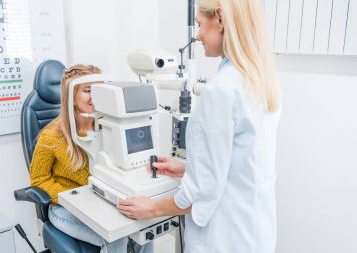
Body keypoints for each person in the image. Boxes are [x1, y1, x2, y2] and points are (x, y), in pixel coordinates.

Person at [117, 0, 281, 252]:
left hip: (225, 236)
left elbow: (201, 192)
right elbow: (241, 163)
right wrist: (187, 168)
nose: (198, 35)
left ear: (220, 19)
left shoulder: (222, 91)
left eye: (200, 25)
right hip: (254, 230)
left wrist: (152, 207)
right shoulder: (260, 80)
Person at [30, 64, 153, 253]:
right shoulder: (51, 136)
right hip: (66, 209)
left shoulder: (109, 127)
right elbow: (38, 180)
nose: (95, 95)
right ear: (71, 97)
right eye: (88, 90)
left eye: (99, 89)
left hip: (102, 204)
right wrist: (72, 198)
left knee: (145, 230)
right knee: (116, 239)